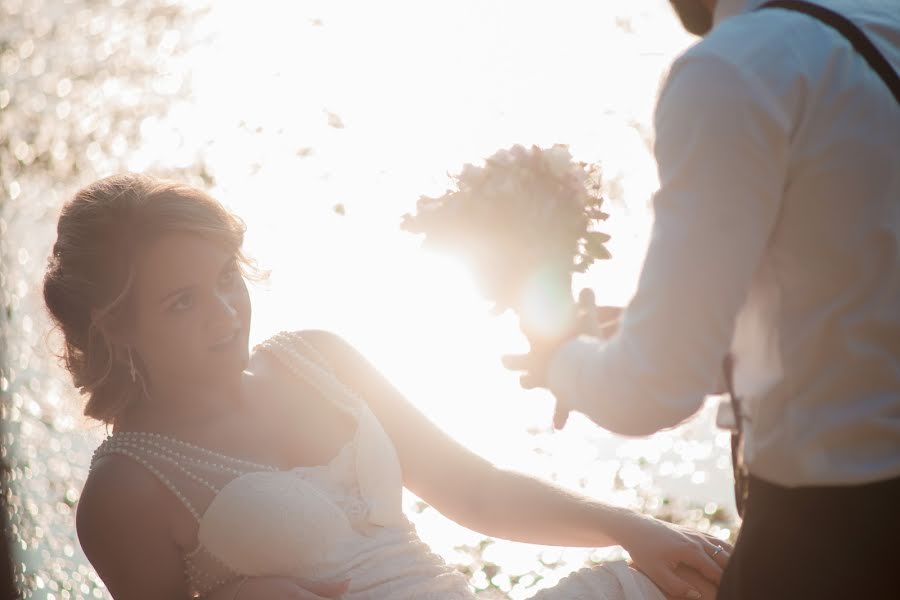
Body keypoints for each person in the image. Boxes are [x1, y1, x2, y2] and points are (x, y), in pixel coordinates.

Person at [44, 173, 729, 600]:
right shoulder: (125, 489)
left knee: (698, 572)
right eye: (181, 302)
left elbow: (475, 489)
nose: (226, 312)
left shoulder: (319, 358)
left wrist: (627, 527)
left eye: (226, 276)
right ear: (117, 327)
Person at [505, 1, 899, 598]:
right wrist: (666, 331)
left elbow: (654, 389)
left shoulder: (734, 68)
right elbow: (849, 313)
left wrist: (560, 355)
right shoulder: (883, 23)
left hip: (834, 541)